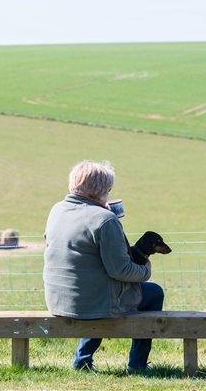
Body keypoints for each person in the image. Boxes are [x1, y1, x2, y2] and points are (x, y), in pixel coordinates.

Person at [43, 160, 164, 373]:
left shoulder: (57, 210)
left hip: (58, 301)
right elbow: (122, 271)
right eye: (108, 189)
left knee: (97, 287)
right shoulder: (105, 220)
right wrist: (146, 269)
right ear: (102, 190)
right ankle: (137, 364)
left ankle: (83, 360)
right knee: (153, 292)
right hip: (93, 303)